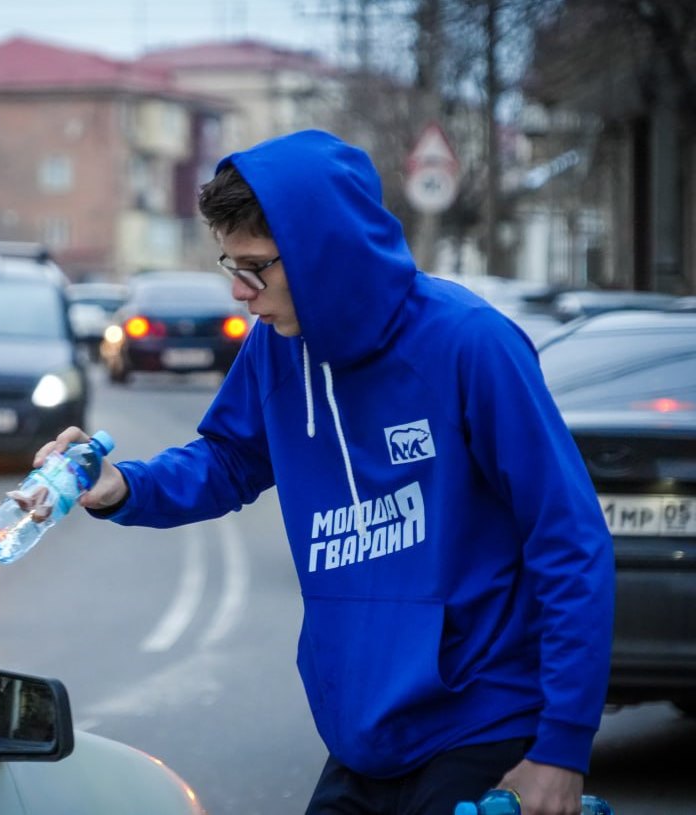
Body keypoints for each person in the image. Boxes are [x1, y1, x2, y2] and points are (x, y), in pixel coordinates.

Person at [32, 130, 614, 815]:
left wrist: (561, 749)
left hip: (480, 730)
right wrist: (124, 486)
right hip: (361, 738)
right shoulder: (278, 350)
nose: (240, 292)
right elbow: (229, 458)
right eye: (230, 265)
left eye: (255, 267)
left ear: (320, 254)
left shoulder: (471, 344)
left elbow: (570, 541)